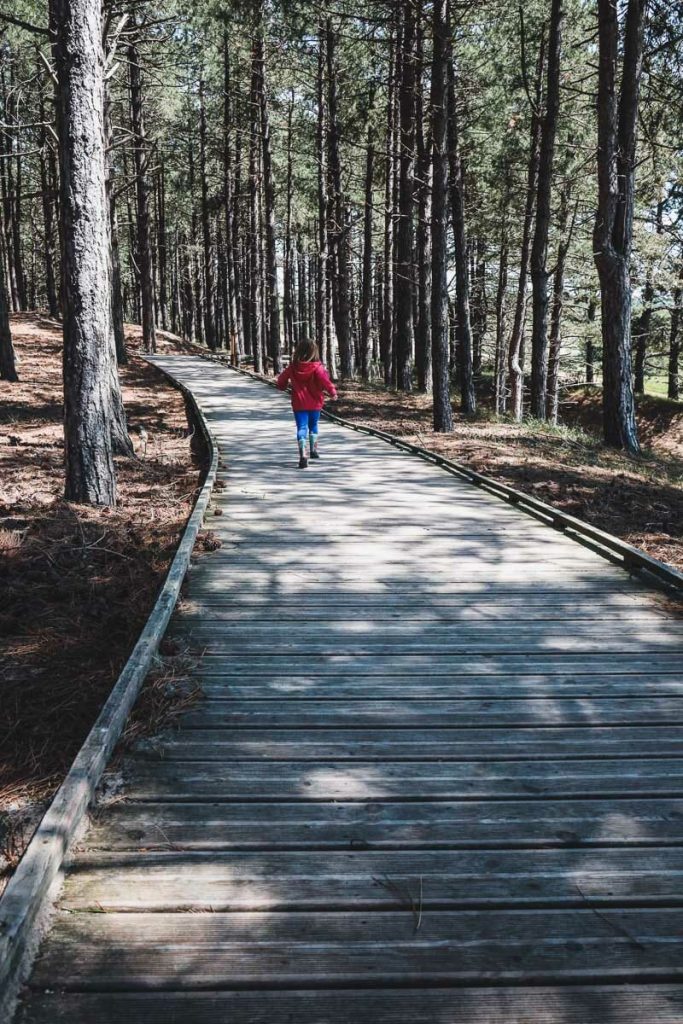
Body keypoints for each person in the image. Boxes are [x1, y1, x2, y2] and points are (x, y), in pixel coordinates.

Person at [276, 340, 337, 468]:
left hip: (299, 403)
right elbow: (325, 381)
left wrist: (282, 386)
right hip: (315, 403)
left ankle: (303, 454)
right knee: (313, 425)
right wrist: (332, 392)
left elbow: (281, 380)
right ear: (314, 352)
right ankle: (313, 450)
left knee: (301, 428)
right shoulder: (317, 367)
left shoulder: (293, 367)